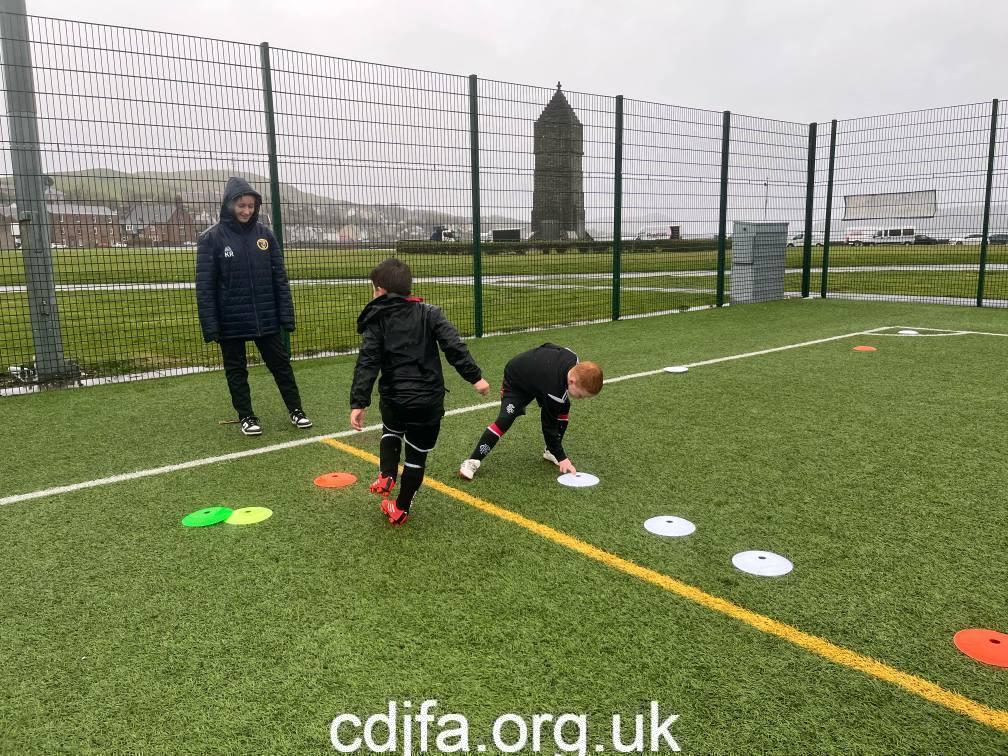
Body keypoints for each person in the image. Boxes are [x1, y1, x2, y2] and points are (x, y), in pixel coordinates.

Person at [350, 257, 489, 525]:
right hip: (428, 402)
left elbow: (367, 362)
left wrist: (359, 402)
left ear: (380, 291)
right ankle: (400, 509)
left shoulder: (377, 320)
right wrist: (476, 378)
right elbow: (454, 346)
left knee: (391, 430)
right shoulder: (430, 313)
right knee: (416, 456)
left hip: (395, 399)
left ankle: (387, 474)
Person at [196, 176, 312, 436]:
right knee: (236, 370)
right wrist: (211, 326)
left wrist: (286, 316)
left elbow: (279, 279)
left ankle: (296, 410)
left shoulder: (265, 236)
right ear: (229, 205)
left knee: (281, 365)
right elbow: (205, 287)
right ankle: (246, 417)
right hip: (231, 320)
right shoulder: (211, 238)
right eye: (241, 206)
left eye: (251, 206)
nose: (246, 211)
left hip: (265, 317)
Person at [458, 344, 602, 480]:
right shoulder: (554, 390)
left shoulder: (573, 358)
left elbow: (548, 345)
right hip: (517, 381)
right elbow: (549, 426)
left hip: (540, 381)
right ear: (572, 381)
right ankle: (472, 461)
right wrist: (562, 457)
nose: (581, 399)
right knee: (505, 419)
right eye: (581, 395)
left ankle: (550, 451)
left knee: (564, 406)